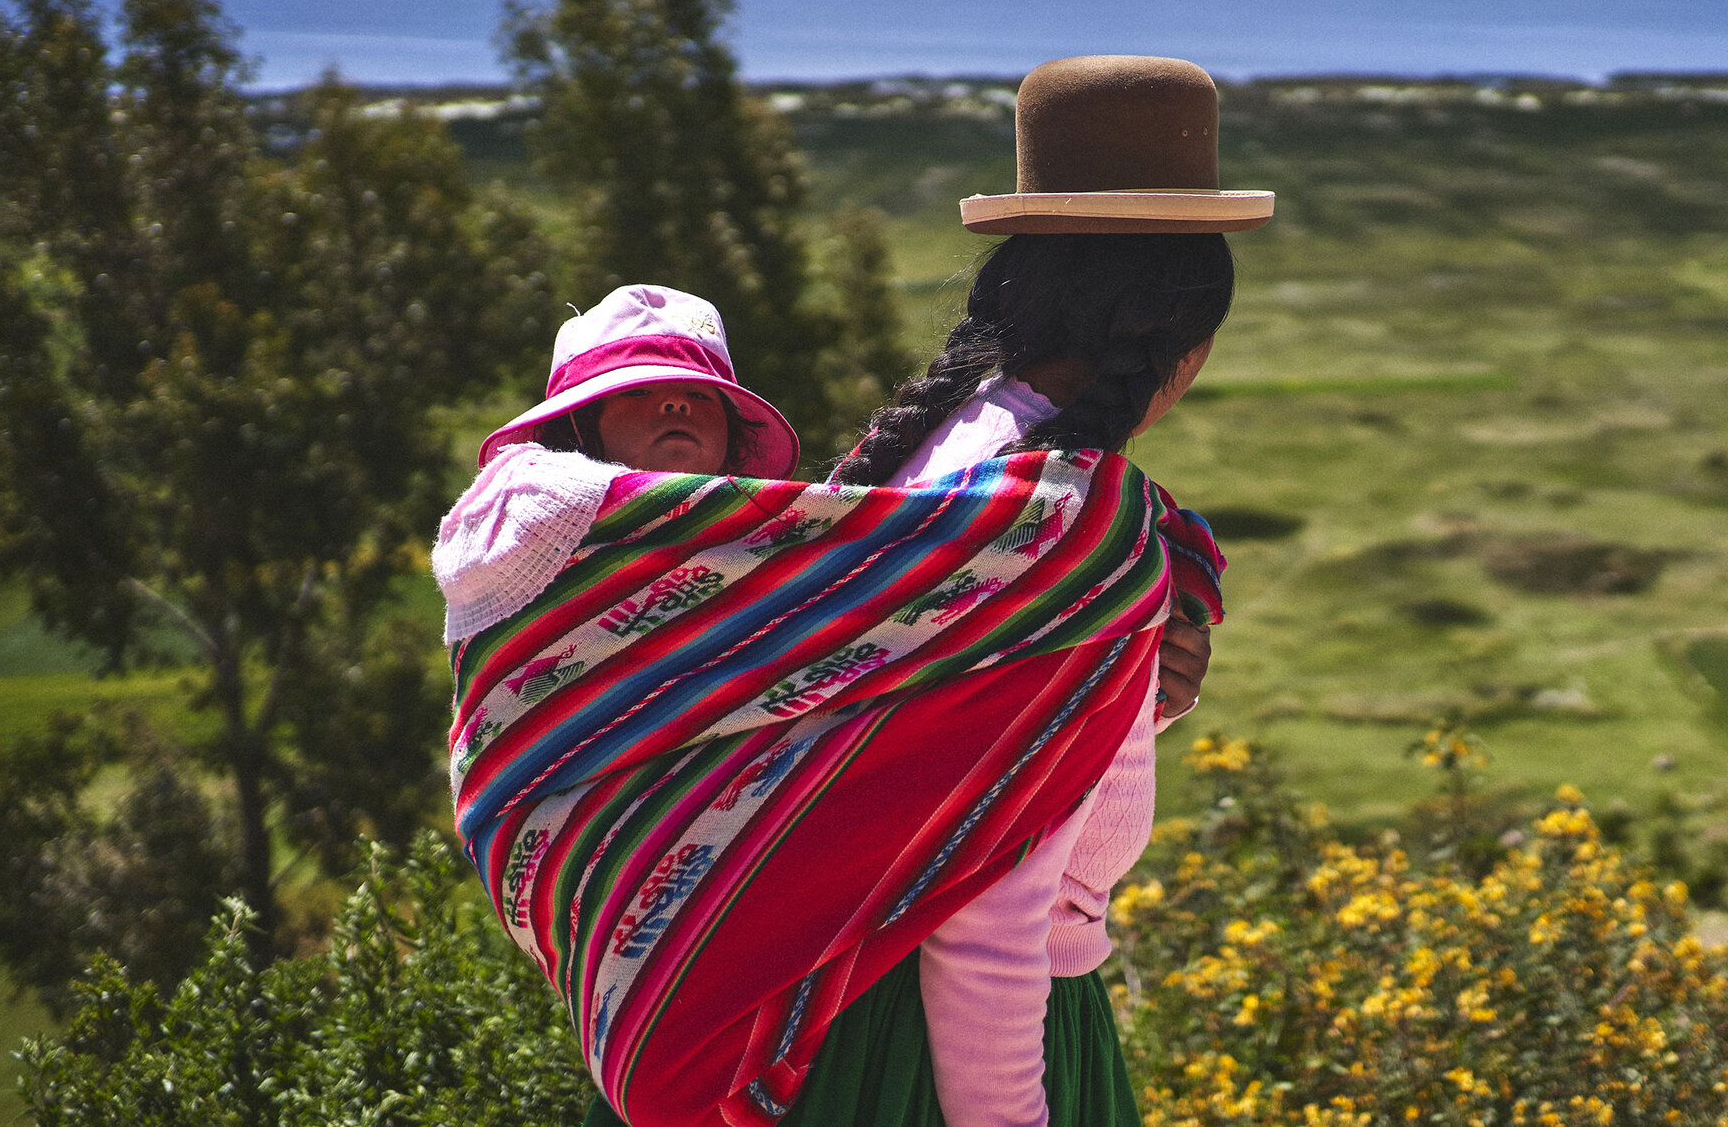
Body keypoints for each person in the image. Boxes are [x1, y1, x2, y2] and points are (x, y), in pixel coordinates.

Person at [434, 56, 1270, 1127]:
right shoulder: (1067, 529)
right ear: (1181, 343)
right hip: (932, 1059)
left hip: (789, 1005)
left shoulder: (935, 462)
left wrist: (1123, 671)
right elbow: (985, 912)